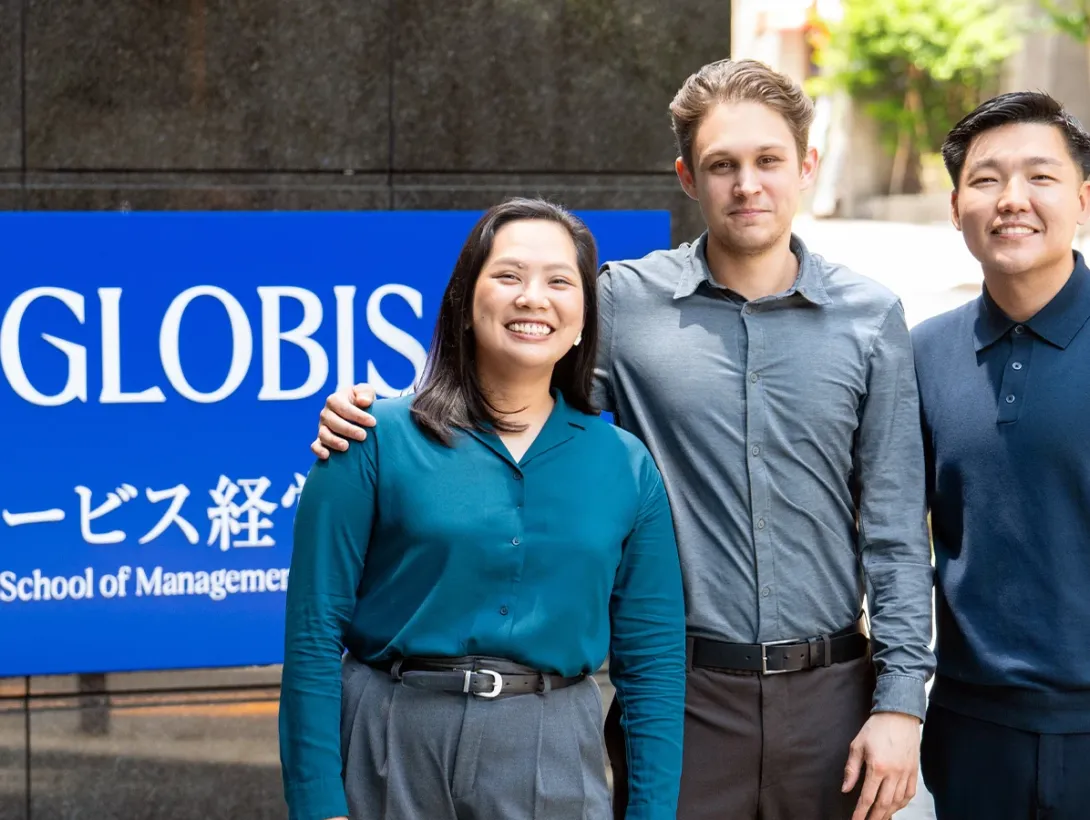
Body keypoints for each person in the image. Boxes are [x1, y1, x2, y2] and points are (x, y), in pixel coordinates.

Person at [308, 59, 934, 820]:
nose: (747, 185)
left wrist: (901, 702)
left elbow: (897, 534)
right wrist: (381, 409)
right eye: (721, 165)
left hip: (832, 693)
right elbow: (510, 375)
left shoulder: (870, 318)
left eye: (769, 161)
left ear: (806, 165)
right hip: (685, 694)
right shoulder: (621, 304)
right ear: (685, 177)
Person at [278, 197, 686, 820]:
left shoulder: (626, 466)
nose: (533, 297)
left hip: (551, 752)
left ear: (583, 320)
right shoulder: (370, 438)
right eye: (508, 275)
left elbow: (652, 666)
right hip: (388, 740)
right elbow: (312, 634)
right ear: (466, 303)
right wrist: (318, 805)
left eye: (559, 281)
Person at [913, 91, 1090, 819]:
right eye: (986, 180)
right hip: (970, 727)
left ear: (1082, 200)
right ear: (956, 207)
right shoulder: (920, 353)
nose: (1012, 199)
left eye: (1040, 177)